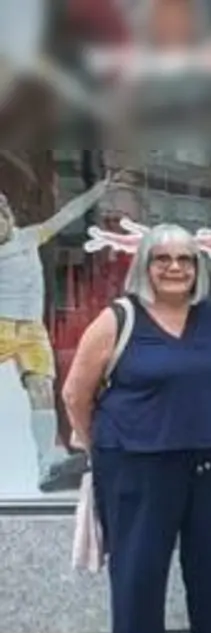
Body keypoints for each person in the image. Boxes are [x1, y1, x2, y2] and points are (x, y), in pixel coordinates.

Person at [60, 224, 211, 633]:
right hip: (137, 460)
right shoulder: (118, 318)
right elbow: (75, 393)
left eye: (185, 259)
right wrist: (96, 446)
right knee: (140, 564)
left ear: (198, 268)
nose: (175, 268)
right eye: (162, 259)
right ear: (143, 265)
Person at [0, 175, 116, 492]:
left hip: (32, 330)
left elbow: (67, 214)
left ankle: (46, 461)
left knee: (41, 390)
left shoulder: (30, 237)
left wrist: (97, 192)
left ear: (7, 216)